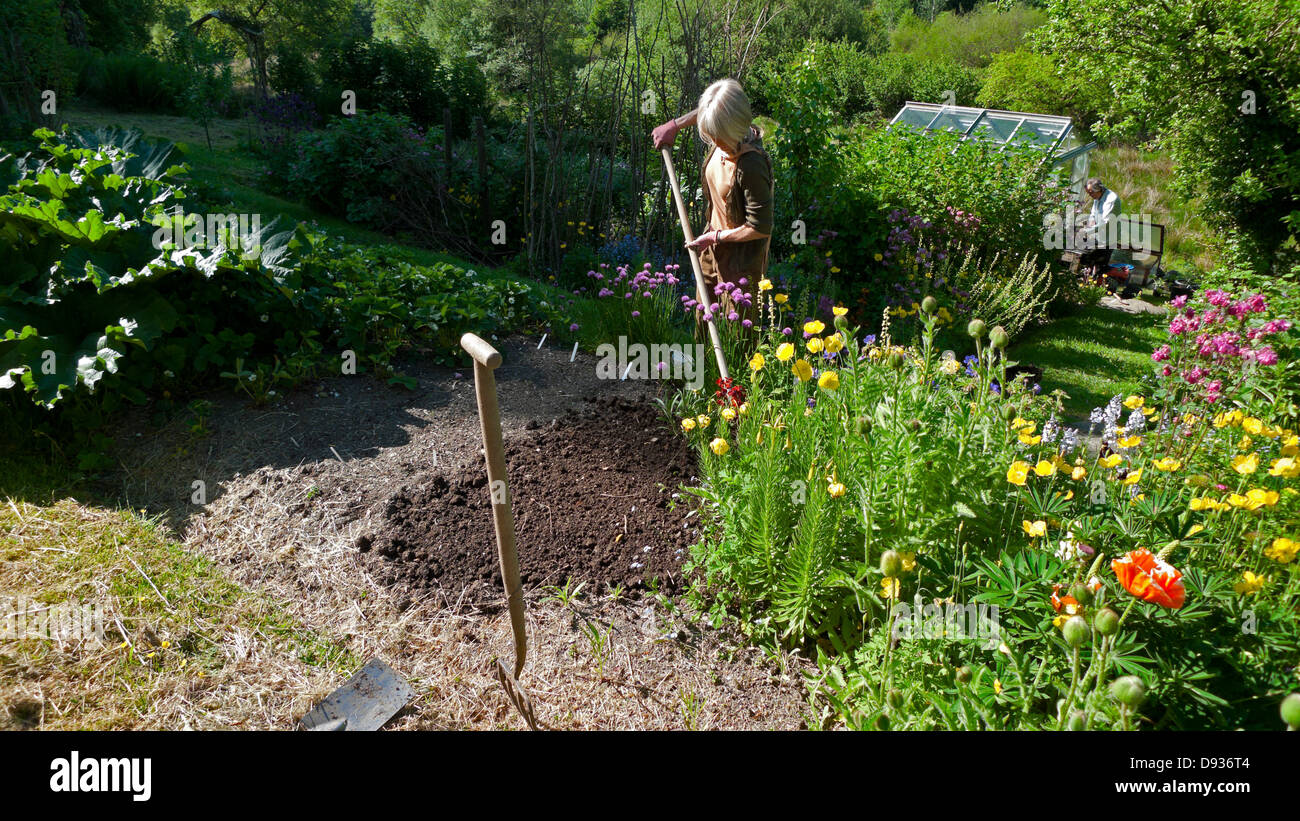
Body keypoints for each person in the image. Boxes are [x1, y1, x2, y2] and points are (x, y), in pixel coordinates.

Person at [652, 79, 773, 321]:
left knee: (737, 335)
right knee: (704, 321)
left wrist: (716, 237)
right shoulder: (726, 133)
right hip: (712, 249)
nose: (712, 140)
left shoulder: (751, 164)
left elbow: (760, 227)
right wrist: (675, 125)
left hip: (741, 262)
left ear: (734, 126)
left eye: (717, 133)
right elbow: (712, 108)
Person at [1075, 177, 1122, 280]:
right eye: (1088, 193)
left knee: (1100, 265)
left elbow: (1105, 223)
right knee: (1085, 259)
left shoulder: (1111, 200)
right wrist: (1090, 222)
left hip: (1108, 238)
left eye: (1091, 193)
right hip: (1097, 235)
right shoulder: (1097, 197)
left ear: (1099, 190)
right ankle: (1085, 280)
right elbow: (1093, 213)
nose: (1090, 195)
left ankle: (1097, 286)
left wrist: (1086, 231)